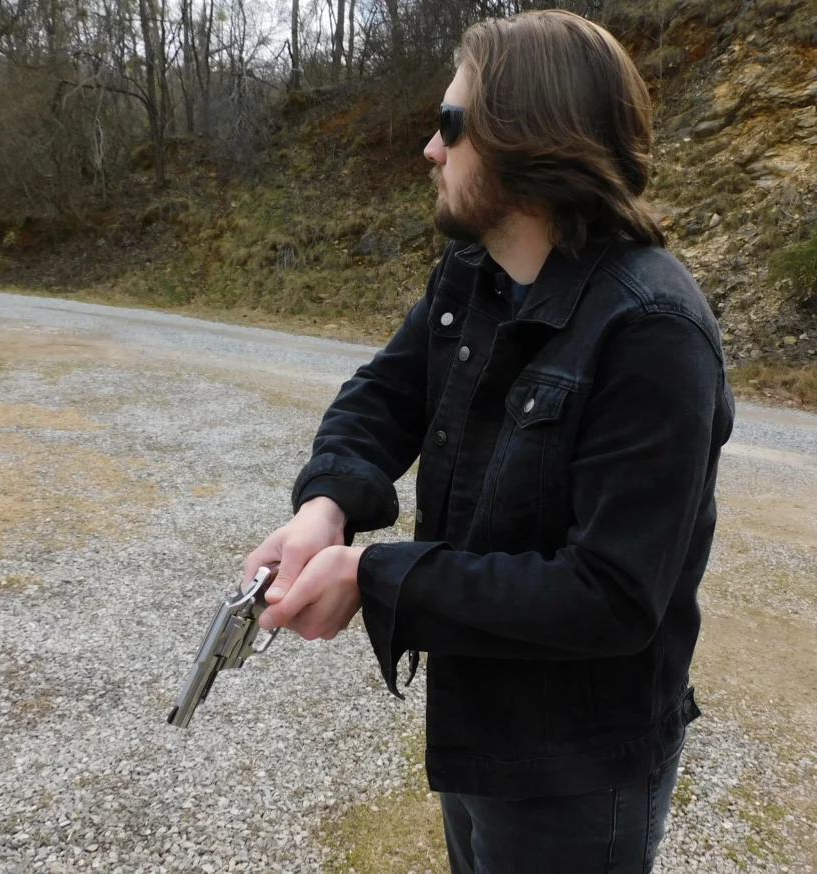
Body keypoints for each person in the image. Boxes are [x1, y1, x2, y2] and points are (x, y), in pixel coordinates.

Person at [242, 9, 735, 873]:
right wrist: (328, 507)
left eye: (450, 125)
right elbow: (384, 395)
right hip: (479, 721)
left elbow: (611, 596)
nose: (431, 150)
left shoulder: (653, 329)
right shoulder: (476, 271)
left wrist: (373, 575)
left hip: (580, 769)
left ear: (526, 138)